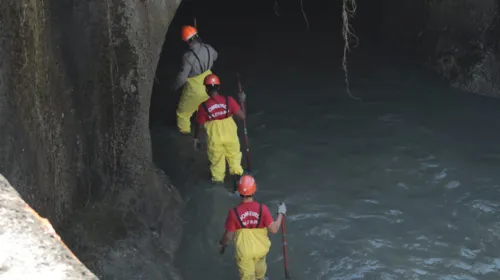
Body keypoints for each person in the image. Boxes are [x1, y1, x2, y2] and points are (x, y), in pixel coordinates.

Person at [217, 175, 287, 280]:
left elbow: (228, 236)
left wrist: (222, 245)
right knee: (260, 275)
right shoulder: (262, 209)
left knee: (247, 277)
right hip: (261, 251)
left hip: (245, 253)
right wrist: (281, 213)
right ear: (254, 190)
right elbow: (274, 229)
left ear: (239, 192)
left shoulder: (233, 213)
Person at [194, 73, 246, 184]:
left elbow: (199, 125)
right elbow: (242, 116)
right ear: (218, 87)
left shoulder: (203, 106)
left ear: (206, 89)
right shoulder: (229, 100)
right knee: (235, 160)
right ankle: (238, 184)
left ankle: (218, 186)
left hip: (215, 138)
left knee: (217, 165)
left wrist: (196, 139)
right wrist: (243, 100)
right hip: (230, 136)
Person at [172, 25, 218, 135]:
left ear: (187, 41)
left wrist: (173, 87)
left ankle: (185, 136)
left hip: (195, 88)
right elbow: (215, 56)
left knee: (183, 114)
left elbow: (182, 78)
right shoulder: (208, 48)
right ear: (197, 36)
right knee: (207, 109)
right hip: (209, 83)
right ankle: (210, 131)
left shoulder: (187, 56)